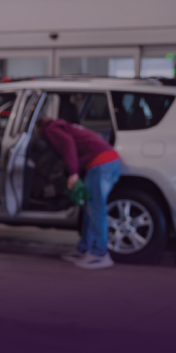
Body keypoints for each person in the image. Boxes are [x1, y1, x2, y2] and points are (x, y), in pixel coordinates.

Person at [36, 115, 121, 270]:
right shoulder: (68, 126)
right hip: (108, 162)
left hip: (100, 165)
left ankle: (101, 254)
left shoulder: (50, 129)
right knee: (89, 209)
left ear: (39, 128)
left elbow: (68, 145)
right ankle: (84, 249)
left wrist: (73, 173)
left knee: (96, 209)